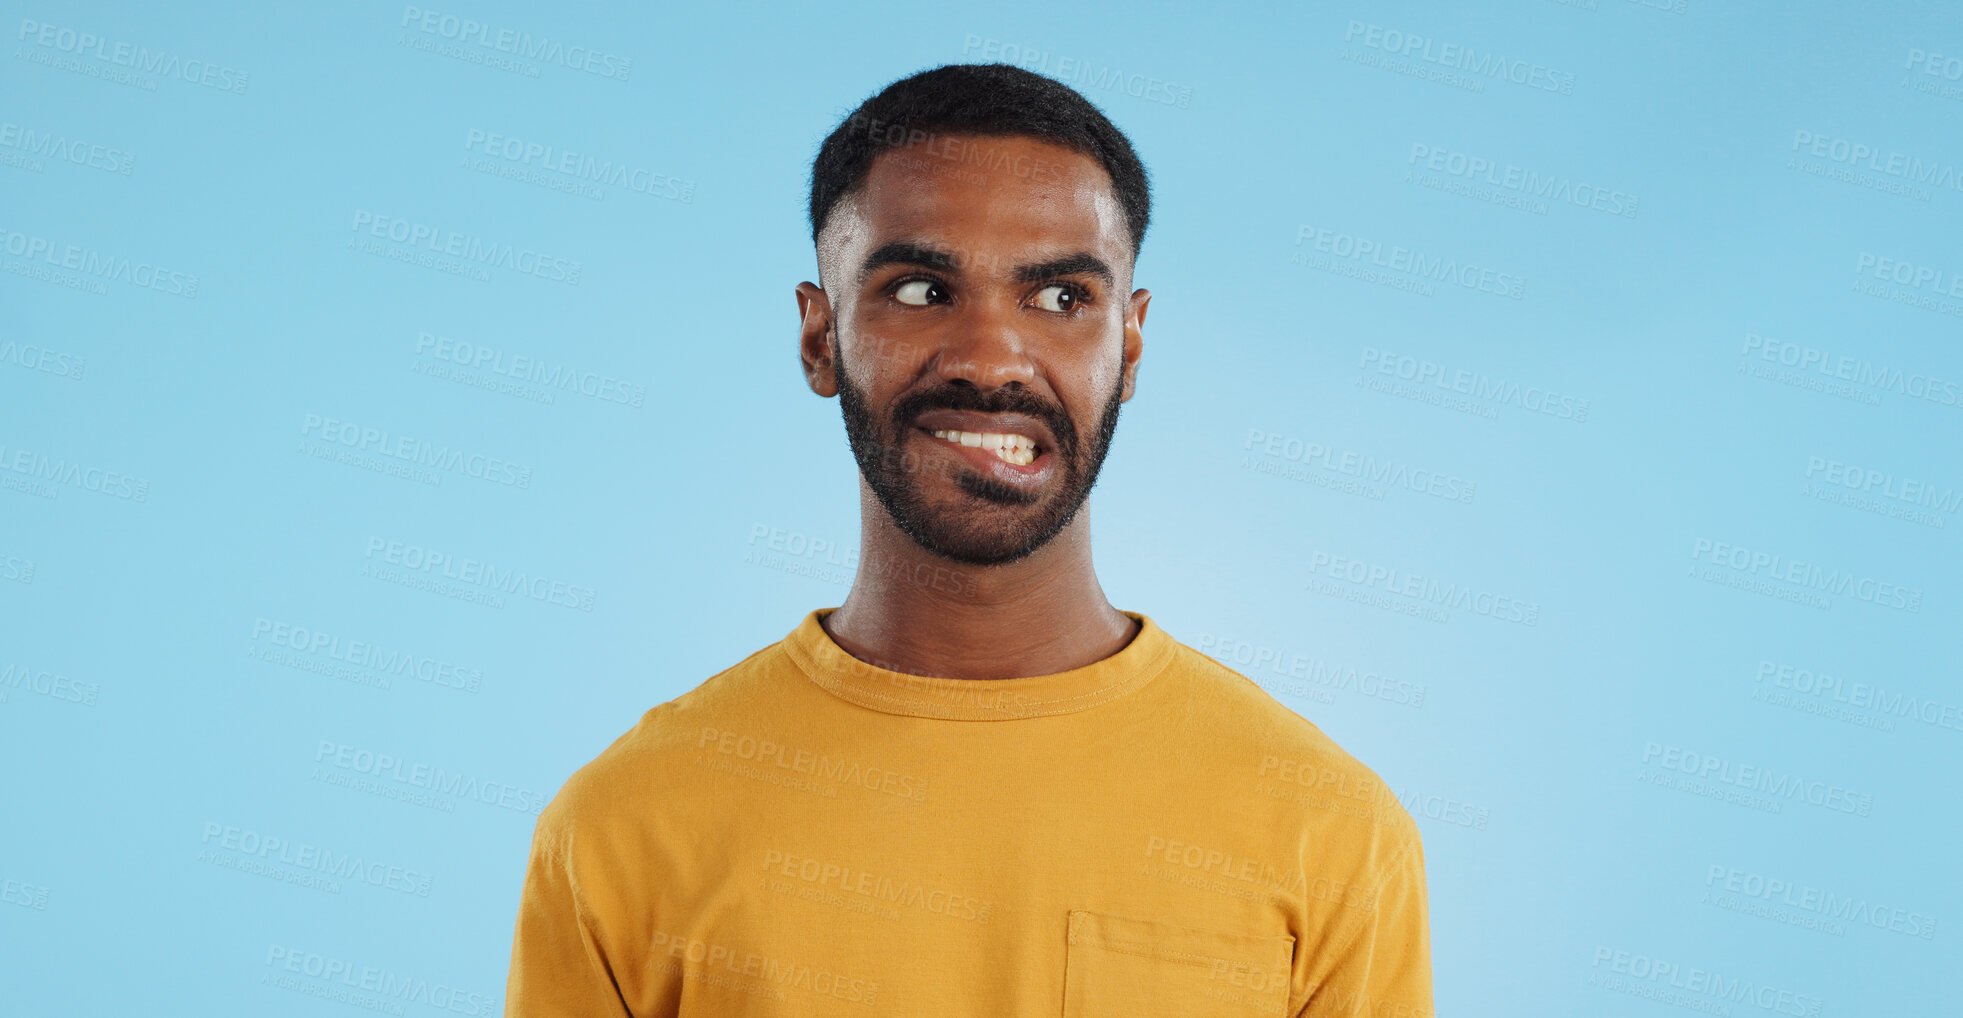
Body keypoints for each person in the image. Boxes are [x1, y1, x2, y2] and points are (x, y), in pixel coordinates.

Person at [503, 62, 1433, 1018]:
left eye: (1062, 298)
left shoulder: (1330, 832)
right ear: (820, 338)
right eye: (918, 290)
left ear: (1131, 345)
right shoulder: (624, 828)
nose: (990, 359)